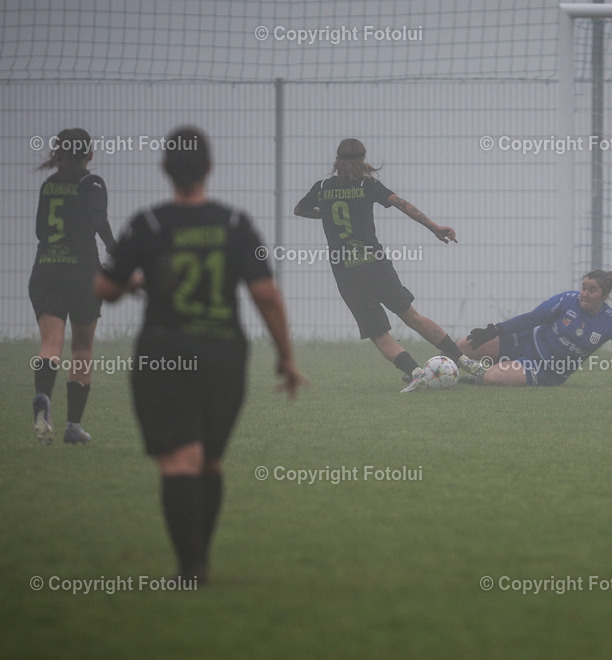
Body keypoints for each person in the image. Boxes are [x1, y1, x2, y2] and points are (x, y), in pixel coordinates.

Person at [95, 127, 307, 584]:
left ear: (165, 170)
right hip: (224, 354)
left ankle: (191, 569)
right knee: (208, 460)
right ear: (210, 167)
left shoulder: (148, 224)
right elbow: (267, 295)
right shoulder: (235, 224)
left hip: (164, 355)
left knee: (178, 462)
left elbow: (105, 288)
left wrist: (135, 283)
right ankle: (198, 564)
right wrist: (286, 356)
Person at [294, 138, 484, 392]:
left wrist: (325, 214)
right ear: (363, 160)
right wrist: (434, 228)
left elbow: (299, 209)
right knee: (411, 315)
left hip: (345, 269)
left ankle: (417, 373)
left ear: (337, 160)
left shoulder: (322, 187)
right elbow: (402, 205)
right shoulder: (367, 184)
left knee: (379, 333)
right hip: (375, 263)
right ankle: (465, 361)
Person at [29, 128, 115, 445]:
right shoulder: (91, 183)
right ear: (90, 154)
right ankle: (73, 426)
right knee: (81, 350)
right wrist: (114, 248)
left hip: (45, 270)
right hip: (83, 274)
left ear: (60, 153)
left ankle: (42, 398)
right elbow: (98, 219)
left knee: (51, 346)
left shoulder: (49, 185)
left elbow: (40, 230)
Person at [457, 270, 612, 388]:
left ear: (604, 295)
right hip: (525, 341)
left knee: (493, 377)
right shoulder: (567, 300)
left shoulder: (611, 324)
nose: (584, 294)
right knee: (463, 346)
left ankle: (478, 377)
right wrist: (495, 330)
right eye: (583, 287)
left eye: (592, 290)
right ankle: (437, 371)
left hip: (546, 369)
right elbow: (532, 318)